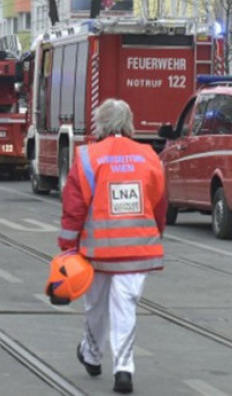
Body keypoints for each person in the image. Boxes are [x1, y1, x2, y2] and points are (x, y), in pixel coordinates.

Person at [57, 99, 166, 395]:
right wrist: (156, 233)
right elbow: (158, 203)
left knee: (95, 305)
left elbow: (74, 208)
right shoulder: (149, 156)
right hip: (136, 252)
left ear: (99, 124)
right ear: (129, 122)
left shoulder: (87, 157)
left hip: (98, 252)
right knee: (125, 307)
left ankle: (92, 355)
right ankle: (124, 370)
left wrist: (68, 247)